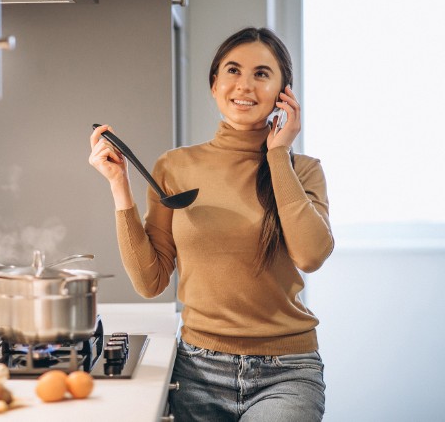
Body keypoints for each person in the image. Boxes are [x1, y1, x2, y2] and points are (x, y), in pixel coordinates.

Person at [88, 26, 333, 422]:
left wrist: (278, 155)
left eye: (262, 74)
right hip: (198, 370)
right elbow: (150, 282)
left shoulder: (303, 170)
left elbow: (310, 255)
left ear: (284, 92)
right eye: (233, 71)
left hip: (287, 372)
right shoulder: (174, 166)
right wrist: (120, 188)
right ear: (214, 84)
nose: (245, 86)